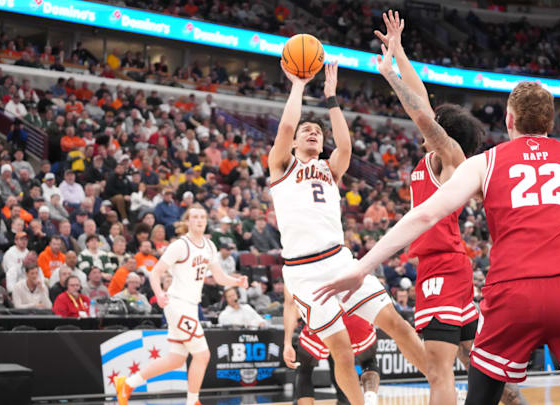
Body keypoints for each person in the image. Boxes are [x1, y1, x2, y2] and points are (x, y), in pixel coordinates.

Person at [315, 73, 560, 403]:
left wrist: (362, 267)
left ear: (509, 120)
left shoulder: (484, 164)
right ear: (550, 122)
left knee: (473, 391)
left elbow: (424, 214)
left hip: (511, 296)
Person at [372, 11, 526, 404]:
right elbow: (422, 99)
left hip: (442, 266)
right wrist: (400, 52)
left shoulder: (452, 157)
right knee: (475, 362)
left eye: (435, 125)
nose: (427, 126)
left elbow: (421, 113)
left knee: (437, 372)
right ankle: (513, 399)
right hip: (442, 265)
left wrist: (390, 76)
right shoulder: (435, 160)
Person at [269, 59, 432, 404]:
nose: (313, 133)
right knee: (340, 352)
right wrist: (298, 86)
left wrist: (331, 99)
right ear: (295, 143)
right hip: (304, 271)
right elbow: (284, 129)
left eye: (318, 132)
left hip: (340, 260)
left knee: (399, 326)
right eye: (306, 131)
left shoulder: (331, 169)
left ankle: (439, 383)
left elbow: (345, 146)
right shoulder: (281, 166)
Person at [115, 206, 248, 405]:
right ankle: (193, 401)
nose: (200, 220)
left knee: (176, 359)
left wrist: (236, 282)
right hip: (177, 304)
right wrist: (159, 294)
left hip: (191, 307)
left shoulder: (210, 246)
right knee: (203, 355)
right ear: (188, 221)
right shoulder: (180, 245)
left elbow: (219, 277)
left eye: (203, 216)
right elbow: (156, 272)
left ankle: (128, 383)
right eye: (195, 217)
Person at [283, 285, 380, 405]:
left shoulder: (291, 270)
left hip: (322, 318)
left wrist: (287, 342)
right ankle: (369, 398)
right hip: (353, 313)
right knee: (367, 362)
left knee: (304, 370)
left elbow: (291, 307)